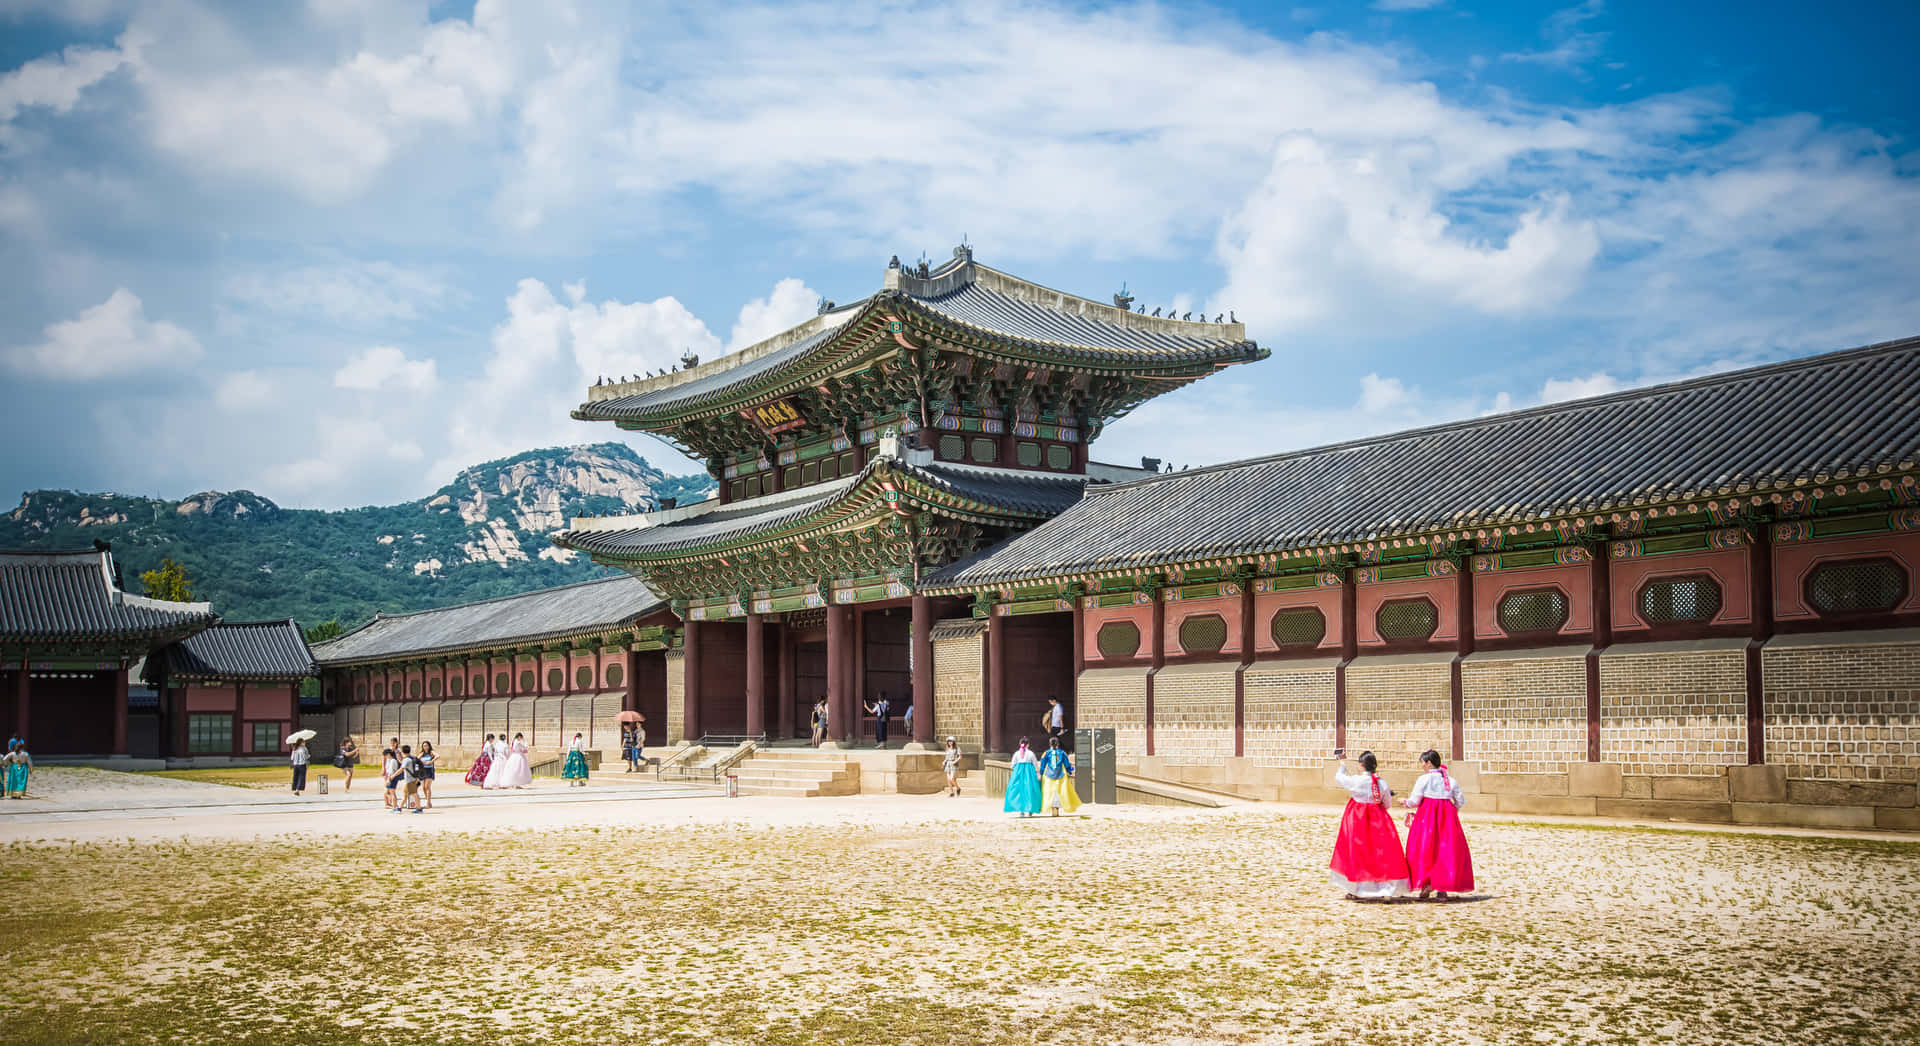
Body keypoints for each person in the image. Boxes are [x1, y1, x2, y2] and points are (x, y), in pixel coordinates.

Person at [1329, 749, 1410, 901]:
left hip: (1358, 819)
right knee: (1382, 855)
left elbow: (1340, 778)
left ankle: (1355, 889)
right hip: (1379, 820)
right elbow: (1387, 803)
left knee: (1357, 854)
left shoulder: (1357, 781)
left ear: (1361, 765)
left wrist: (1342, 764)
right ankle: (1386, 889)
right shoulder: (1382, 782)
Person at [1403, 748, 1474, 900]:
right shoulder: (1451, 781)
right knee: (1445, 850)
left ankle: (1426, 885)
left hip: (1427, 817)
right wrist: (1451, 812)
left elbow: (1415, 800)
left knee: (1425, 848)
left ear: (1429, 763)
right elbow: (1460, 801)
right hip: (1447, 818)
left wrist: (1405, 803)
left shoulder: (1424, 779)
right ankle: (1442, 888)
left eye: (1422, 762)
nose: (1422, 765)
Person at [1037, 736, 1081, 816]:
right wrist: (1070, 770)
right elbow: (1067, 763)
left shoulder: (1046, 753)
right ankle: (1056, 809)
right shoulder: (1062, 753)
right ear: (1058, 744)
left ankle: (1052, 809)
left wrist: (1041, 772)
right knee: (1060, 792)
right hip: (1060, 775)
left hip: (1049, 775)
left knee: (1049, 792)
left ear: (1050, 744)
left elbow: (1043, 763)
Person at [1003, 737, 1042, 817]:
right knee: (1030, 790)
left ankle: (1021, 810)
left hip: (1018, 774)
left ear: (1020, 744)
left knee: (1019, 791)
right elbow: (1035, 764)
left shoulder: (1016, 753)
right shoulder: (1031, 753)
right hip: (1029, 774)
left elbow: (1012, 765)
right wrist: (1038, 773)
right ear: (1028, 745)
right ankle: (1030, 809)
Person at [393, 745, 423, 813]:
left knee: (414, 794)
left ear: (403, 752)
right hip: (414, 779)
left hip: (409, 780)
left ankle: (418, 808)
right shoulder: (412, 758)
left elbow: (401, 769)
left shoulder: (406, 760)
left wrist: (393, 775)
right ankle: (399, 808)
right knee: (406, 794)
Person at [417, 740, 437, 809]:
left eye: (426, 746)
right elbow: (417, 758)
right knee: (423, 787)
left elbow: (438, 756)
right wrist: (422, 761)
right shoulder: (422, 753)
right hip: (423, 770)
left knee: (427, 786)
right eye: (424, 746)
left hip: (429, 770)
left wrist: (431, 761)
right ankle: (428, 801)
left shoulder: (431, 752)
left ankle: (428, 802)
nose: (425, 747)